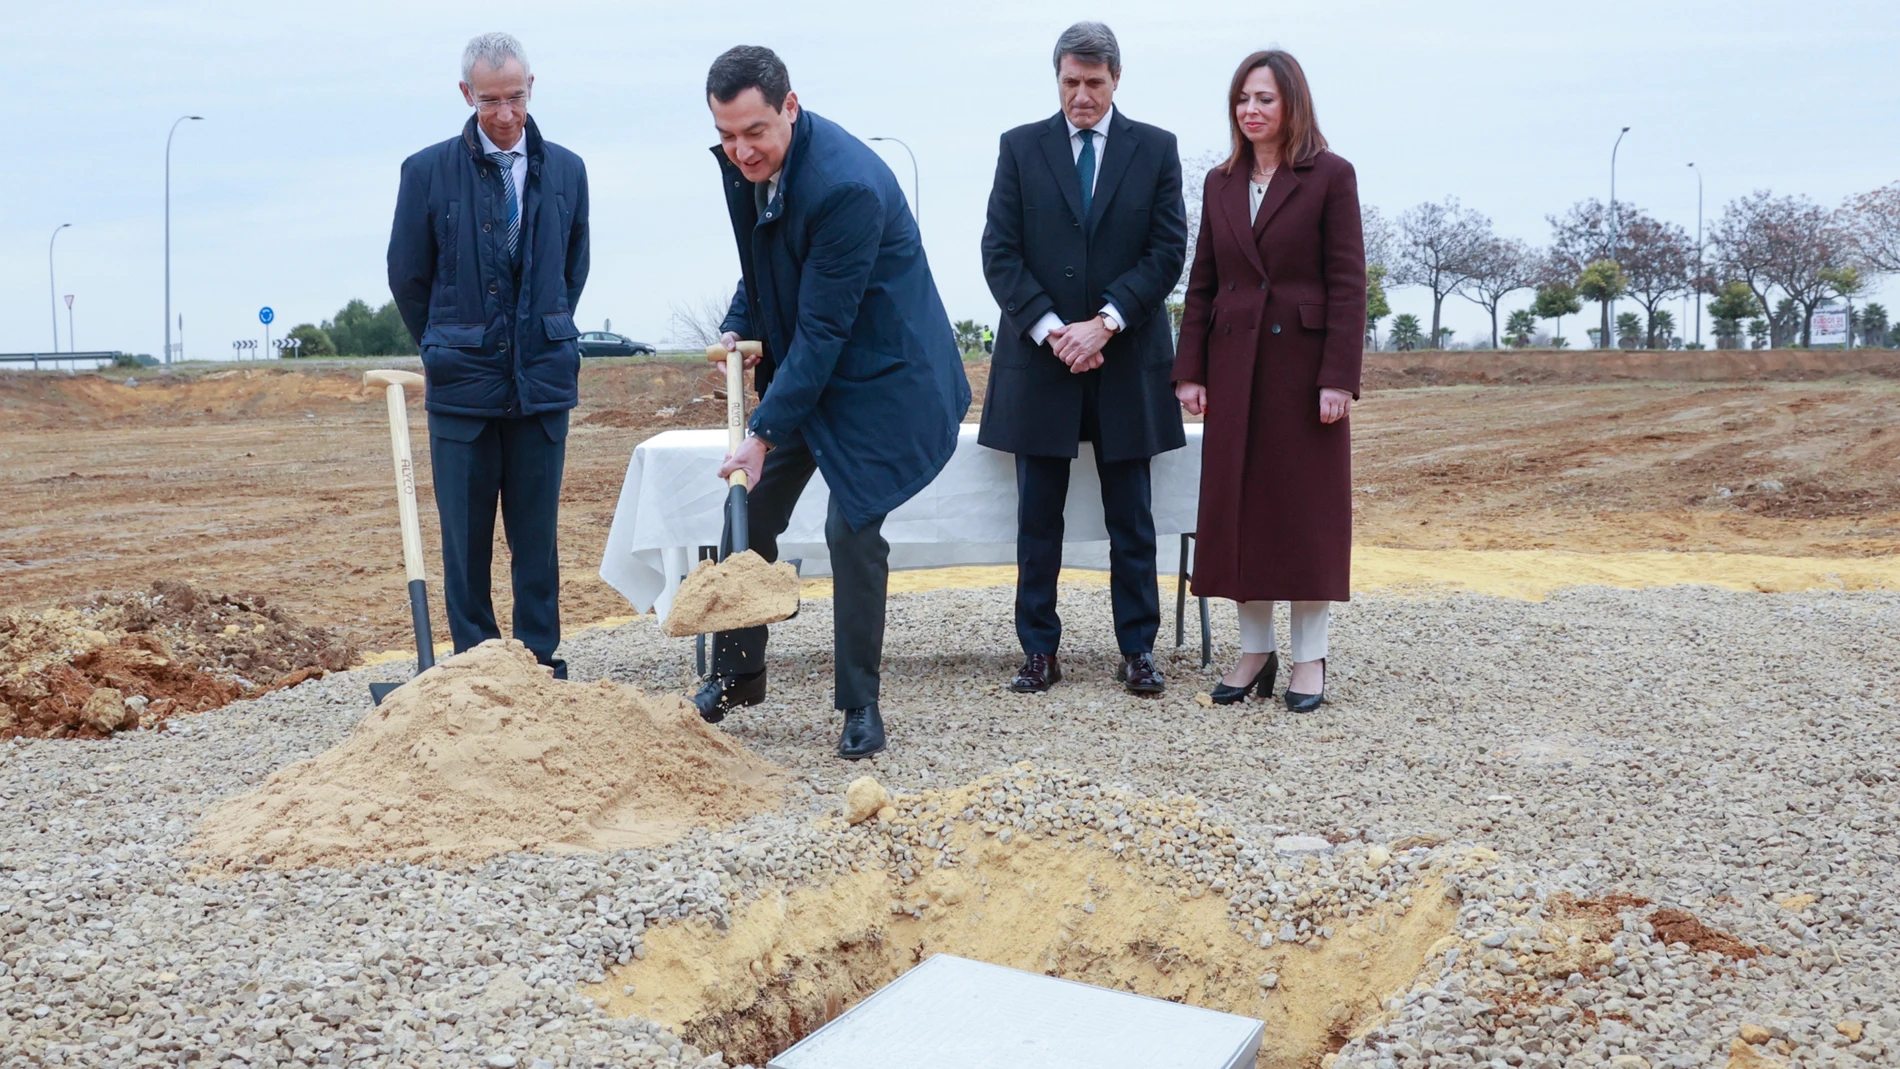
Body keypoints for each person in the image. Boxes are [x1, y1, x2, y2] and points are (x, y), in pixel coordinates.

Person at [694, 45, 971, 759]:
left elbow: (820, 332)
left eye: (754, 131)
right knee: (748, 508)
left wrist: (760, 432)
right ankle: (738, 672)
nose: (740, 150)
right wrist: (739, 319)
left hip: (882, 377)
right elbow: (765, 259)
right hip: (816, 373)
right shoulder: (749, 164)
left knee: (852, 531)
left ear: (790, 105)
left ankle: (860, 704)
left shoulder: (845, 185)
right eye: (727, 134)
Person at [978, 22, 1187, 697]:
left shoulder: (1156, 150)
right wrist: (1053, 330)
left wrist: (1104, 324)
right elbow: (999, 251)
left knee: (1133, 518)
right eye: (1070, 82)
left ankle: (1138, 651)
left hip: (1126, 360)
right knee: (1038, 520)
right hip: (1042, 364)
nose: (1081, 96)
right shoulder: (1019, 148)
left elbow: (1166, 251)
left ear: (1115, 80)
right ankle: (1038, 650)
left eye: (1094, 83)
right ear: (1058, 78)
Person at [387, 32, 589, 678]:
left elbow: (571, 267)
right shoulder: (426, 173)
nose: (504, 114)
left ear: (533, 88)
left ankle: (537, 660)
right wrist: (446, 342)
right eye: (490, 100)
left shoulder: (568, 170)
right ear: (466, 94)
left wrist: (541, 330)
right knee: (465, 541)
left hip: (542, 385)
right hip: (462, 387)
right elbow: (407, 276)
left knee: (537, 539)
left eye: (515, 98)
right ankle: (476, 666)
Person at [1172, 49, 1365, 712]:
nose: (1250, 111)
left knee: (1304, 517)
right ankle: (1254, 649)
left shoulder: (1330, 177)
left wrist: (1338, 376)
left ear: (1292, 106)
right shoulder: (1220, 182)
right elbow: (1202, 282)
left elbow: (1347, 284)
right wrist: (1190, 368)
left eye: (1264, 100)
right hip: (1232, 368)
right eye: (1242, 99)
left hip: (1302, 375)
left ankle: (1309, 658)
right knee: (1240, 515)